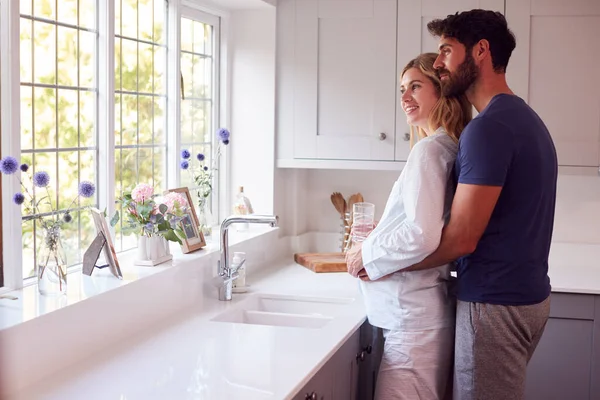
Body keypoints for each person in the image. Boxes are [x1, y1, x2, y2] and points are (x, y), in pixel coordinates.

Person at [401, 10, 558, 400]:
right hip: (527, 297)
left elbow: (462, 239)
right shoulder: (524, 118)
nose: (438, 64)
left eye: (446, 51)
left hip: (495, 304)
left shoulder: (488, 129)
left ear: (481, 51)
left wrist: (384, 262)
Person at [345, 52, 471, 400]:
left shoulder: (430, 151)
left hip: (413, 322)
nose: (404, 98)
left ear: (441, 89)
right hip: (418, 317)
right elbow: (428, 224)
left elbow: (421, 233)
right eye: (402, 89)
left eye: (415, 86)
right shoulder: (446, 147)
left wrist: (364, 255)